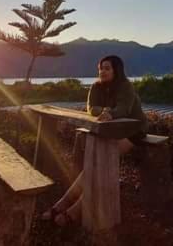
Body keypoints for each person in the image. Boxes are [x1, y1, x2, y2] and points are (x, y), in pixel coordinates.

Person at [41, 55, 148, 226]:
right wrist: (104, 111)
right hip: (111, 131)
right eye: (100, 68)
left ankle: (71, 209)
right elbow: (91, 108)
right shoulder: (96, 87)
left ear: (116, 70)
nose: (102, 71)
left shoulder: (125, 86)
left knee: (98, 165)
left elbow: (124, 108)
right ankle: (66, 205)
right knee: (97, 165)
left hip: (133, 130)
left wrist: (110, 113)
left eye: (107, 68)